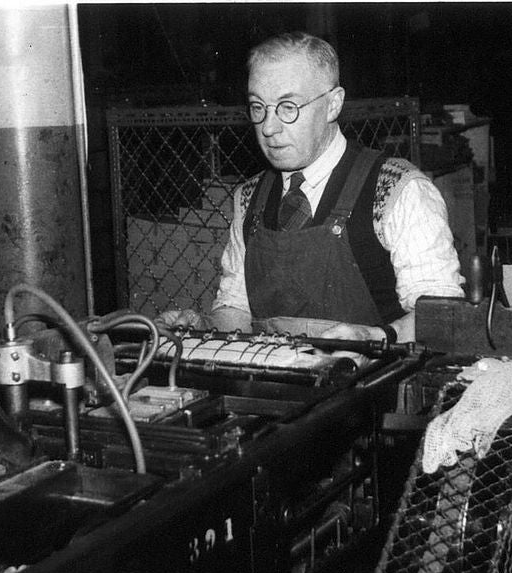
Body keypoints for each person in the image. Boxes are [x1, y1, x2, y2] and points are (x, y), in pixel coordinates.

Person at [158, 31, 463, 350]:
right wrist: (205, 328)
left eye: (288, 107)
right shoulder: (248, 198)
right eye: (258, 107)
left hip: (376, 388)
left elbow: (444, 316)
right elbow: (236, 308)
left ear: (333, 105)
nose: (268, 127)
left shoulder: (399, 190)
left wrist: (373, 338)